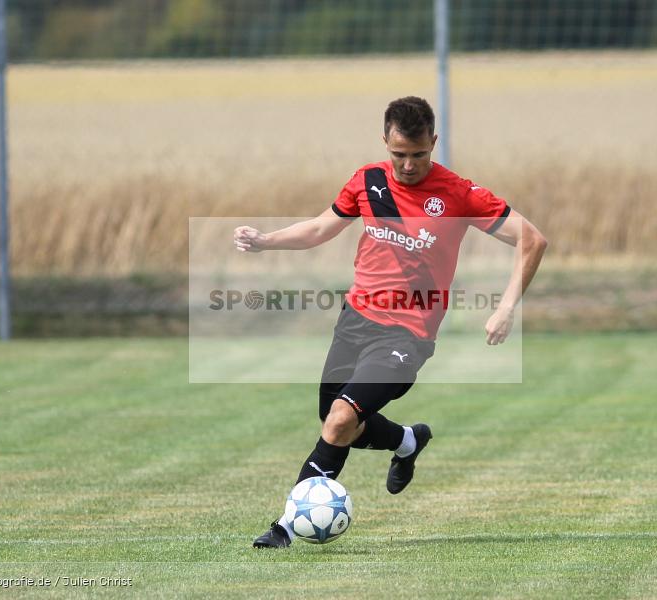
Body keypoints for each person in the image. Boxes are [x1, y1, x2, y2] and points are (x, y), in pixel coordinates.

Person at [234, 96, 547, 548]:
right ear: (385, 141)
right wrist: (267, 240)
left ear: (433, 142)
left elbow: (532, 240)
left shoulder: (458, 194)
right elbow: (321, 228)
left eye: (418, 154)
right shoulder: (368, 181)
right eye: (400, 154)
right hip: (355, 320)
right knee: (334, 420)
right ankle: (406, 441)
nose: (409, 165)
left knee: (340, 421)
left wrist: (506, 307)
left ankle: (284, 526)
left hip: (408, 333)